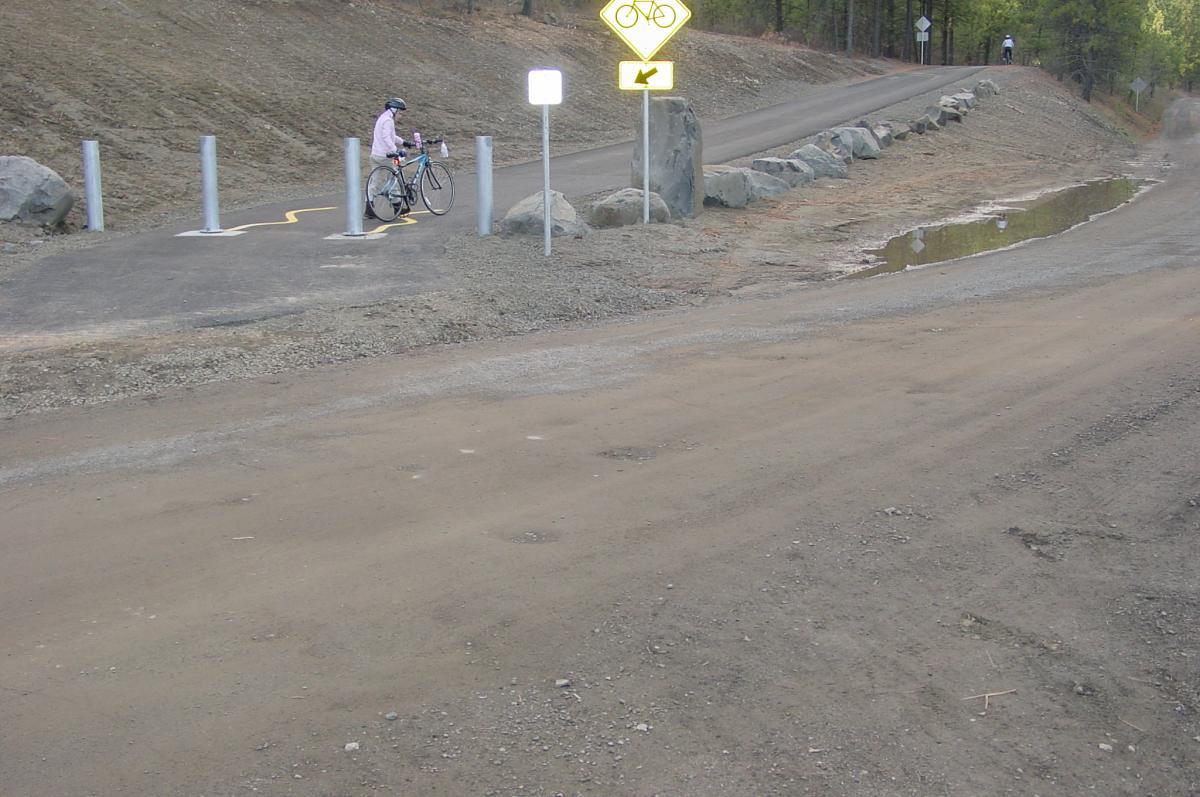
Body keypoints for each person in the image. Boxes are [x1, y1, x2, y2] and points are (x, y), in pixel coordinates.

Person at [368, 97, 413, 217]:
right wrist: (396, 150)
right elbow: (387, 138)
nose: (401, 115)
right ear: (395, 110)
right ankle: (398, 207)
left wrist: (403, 142)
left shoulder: (382, 118)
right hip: (385, 156)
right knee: (394, 179)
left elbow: (392, 136)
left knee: (375, 181)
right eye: (400, 112)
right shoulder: (388, 121)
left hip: (375, 155)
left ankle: (369, 208)